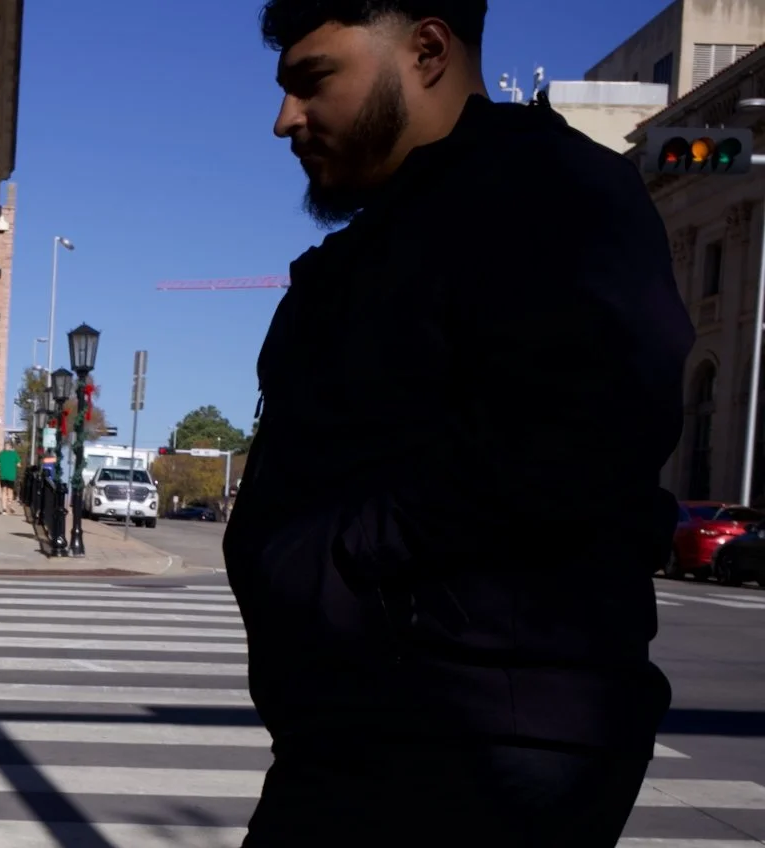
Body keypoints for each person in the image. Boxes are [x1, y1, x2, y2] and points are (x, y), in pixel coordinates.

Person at [223, 2, 695, 845]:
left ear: (428, 50)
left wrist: (335, 562)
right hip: (383, 725)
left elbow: (576, 435)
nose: (285, 119)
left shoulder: (547, 191)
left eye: (313, 80)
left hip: (469, 734)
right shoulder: (402, 229)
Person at [0, 441, 21, 515]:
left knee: (3, 491)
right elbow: (19, 464)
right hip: (11, 475)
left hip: (3, 475)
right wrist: (14, 464)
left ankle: (4, 509)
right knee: (10, 491)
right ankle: (9, 504)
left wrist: (1, 465)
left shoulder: (0, 454)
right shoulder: (14, 454)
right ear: (11, 447)